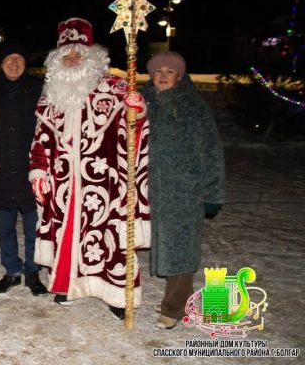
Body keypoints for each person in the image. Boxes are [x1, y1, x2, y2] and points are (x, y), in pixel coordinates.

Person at [29, 17, 149, 320]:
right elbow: (41, 140)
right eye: (65, 55)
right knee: (66, 235)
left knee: (109, 238)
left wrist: (137, 110)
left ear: (91, 56)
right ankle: (68, 286)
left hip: (106, 184)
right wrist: (39, 171)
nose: (72, 60)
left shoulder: (116, 89)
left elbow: (134, 132)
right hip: (64, 185)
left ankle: (115, 295)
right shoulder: (51, 95)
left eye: (77, 54)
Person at [141, 51, 225, 330]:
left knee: (180, 249)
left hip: (183, 191)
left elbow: (211, 152)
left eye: (169, 71)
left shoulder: (193, 106)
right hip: (148, 188)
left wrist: (212, 194)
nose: (163, 76)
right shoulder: (142, 102)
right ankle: (172, 300)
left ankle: (174, 308)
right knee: (161, 246)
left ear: (180, 75)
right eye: (158, 71)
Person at [0, 39, 48, 296]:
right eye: (9, 59)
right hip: (0, 170)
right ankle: (12, 270)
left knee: (33, 225)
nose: (14, 63)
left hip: (29, 169)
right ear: (1, 63)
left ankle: (32, 270)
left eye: (19, 59)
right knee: (6, 226)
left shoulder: (39, 88)